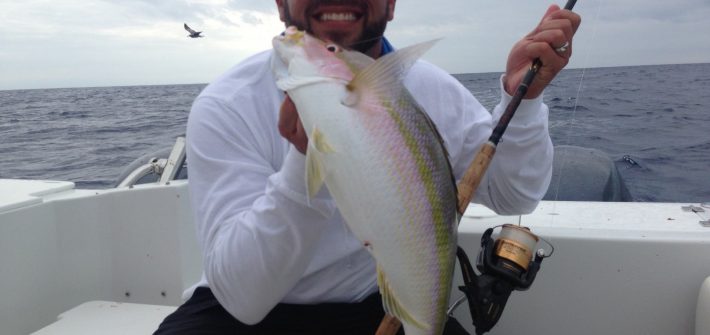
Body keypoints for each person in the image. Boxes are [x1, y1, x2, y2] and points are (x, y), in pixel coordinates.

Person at [154, 0, 581, 334]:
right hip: (239, 316)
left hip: (377, 303)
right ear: (280, 5)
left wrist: (521, 102)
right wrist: (306, 160)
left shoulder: (432, 89)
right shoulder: (227, 104)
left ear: (391, 5)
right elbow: (242, 300)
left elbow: (514, 196)